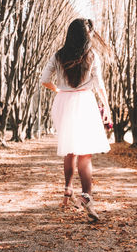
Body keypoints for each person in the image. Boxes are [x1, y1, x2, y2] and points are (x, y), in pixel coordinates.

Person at [41, 18, 111, 221]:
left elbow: (44, 80)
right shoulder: (92, 56)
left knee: (69, 148)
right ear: (86, 36)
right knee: (85, 153)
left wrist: (59, 90)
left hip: (63, 101)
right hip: (85, 103)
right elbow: (100, 86)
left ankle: (67, 190)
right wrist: (106, 107)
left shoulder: (58, 55)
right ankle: (87, 197)